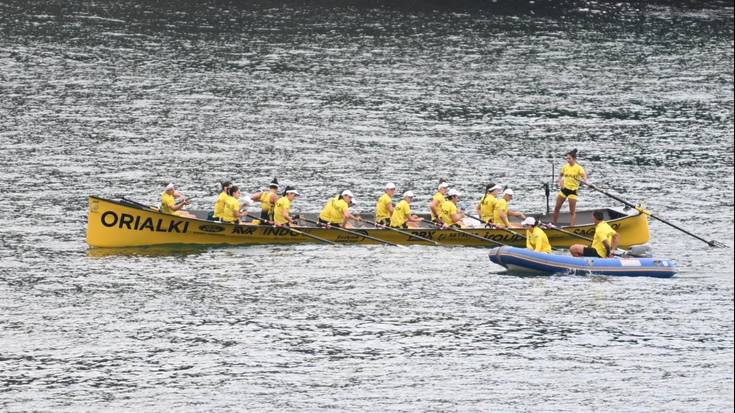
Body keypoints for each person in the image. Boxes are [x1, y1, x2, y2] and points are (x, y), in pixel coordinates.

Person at [552, 149, 588, 226]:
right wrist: (558, 179)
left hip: (573, 191)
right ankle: (553, 224)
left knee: (572, 212)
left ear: (574, 159)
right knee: (556, 208)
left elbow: (584, 175)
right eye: (567, 158)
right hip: (564, 190)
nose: (567, 160)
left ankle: (572, 227)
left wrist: (585, 181)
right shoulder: (565, 167)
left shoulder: (579, 168)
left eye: (569, 158)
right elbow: (561, 174)